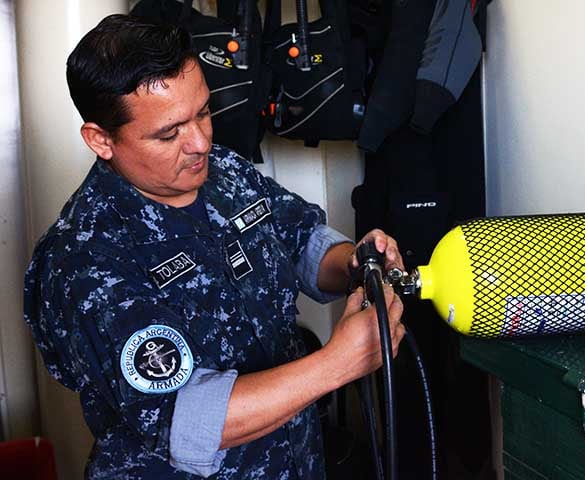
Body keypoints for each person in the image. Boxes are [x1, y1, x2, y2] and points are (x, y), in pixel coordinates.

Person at [23, 14, 405, 479]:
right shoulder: (85, 257)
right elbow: (184, 419)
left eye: (203, 112)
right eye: (170, 133)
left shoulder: (224, 171)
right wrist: (337, 364)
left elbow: (300, 238)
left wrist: (356, 261)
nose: (201, 142)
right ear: (101, 139)